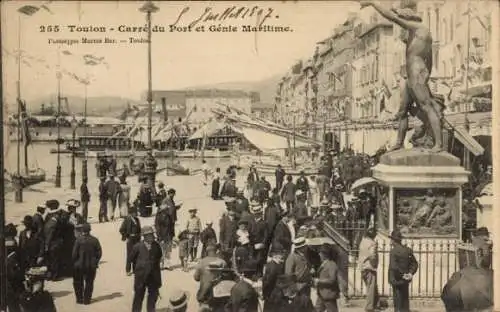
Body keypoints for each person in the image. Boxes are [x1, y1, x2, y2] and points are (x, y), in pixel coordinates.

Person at [361, 0, 445, 152]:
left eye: (403, 24)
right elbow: (430, 60)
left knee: (427, 107)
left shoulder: (418, 28)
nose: (402, 31)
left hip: (415, 71)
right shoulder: (421, 33)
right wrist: (426, 75)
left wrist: (373, 3)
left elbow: (392, 18)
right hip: (412, 73)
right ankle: (399, 142)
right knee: (402, 110)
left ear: (409, 20)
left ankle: (438, 144)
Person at [130, 226, 163, 312]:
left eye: (152, 235)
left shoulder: (156, 246)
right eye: (149, 235)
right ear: (144, 236)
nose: (151, 237)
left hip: (153, 276)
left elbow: (159, 256)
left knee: (153, 295)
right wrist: (139, 267)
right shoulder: (137, 246)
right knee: (138, 296)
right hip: (141, 276)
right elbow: (132, 258)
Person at [388, 229, 419, 312]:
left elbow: (394, 267)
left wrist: (402, 275)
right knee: (405, 302)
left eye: (391, 239)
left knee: (398, 303)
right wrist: (410, 273)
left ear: (394, 240)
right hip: (405, 280)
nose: (390, 241)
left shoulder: (393, 252)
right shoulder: (407, 250)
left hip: (396, 280)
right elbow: (415, 264)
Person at [72, 223, 102, 305]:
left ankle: (79, 299)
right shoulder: (95, 240)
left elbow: (74, 254)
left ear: (82, 230)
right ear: (90, 230)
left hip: (79, 265)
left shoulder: (78, 240)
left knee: (78, 282)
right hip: (91, 266)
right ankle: (87, 300)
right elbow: (99, 253)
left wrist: (75, 262)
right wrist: (95, 261)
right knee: (89, 282)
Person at [314, 244, 348, 312]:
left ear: (325, 254)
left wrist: (319, 281)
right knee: (317, 310)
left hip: (329, 294)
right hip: (322, 294)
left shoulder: (332, 264)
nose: (319, 255)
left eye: (320, 253)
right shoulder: (324, 264)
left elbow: (332, 280)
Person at [358, 227, 380, 312]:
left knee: (372, 286)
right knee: (371, 287)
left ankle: (376, 304)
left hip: (363, 267)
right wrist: (374, 264)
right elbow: (372, 255)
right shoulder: (372, 243)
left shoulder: (363, 241)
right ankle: (369, 307)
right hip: (369, 267)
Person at [43, 199, 64, 280]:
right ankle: (55, 275)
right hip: (58, 240)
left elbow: (48, 231)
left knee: (51, 259)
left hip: (51, 241)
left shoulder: (49, 216)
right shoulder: (59, 214)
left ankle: (52, 275)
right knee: (55, 259)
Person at [120, 207, 142, 275]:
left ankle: (135, 269)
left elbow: (139, 229)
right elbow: (121, 229)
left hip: (137, 238)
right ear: (132, 213)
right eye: (135, 212)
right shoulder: (127, 219)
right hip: (130, 239)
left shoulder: (137, 219)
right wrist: (127, 236)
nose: (136, 214)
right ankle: (128, 270)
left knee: (137, 254)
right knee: (130, 255)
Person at [155, 203, 173, 270]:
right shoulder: (158, 216)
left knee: (168, 251)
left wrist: (172, 235)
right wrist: (159, 237)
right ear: (163, 210)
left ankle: (167, 265)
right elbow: (157, 227)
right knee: (161, 251)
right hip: (162, 236)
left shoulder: (169, 216)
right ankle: (160, 265)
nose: (167, 210)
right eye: (166, 209)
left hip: (168, 236)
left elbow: (171, 226)